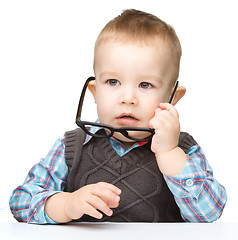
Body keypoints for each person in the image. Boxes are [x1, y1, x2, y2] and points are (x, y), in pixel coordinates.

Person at [9, 9, 227, 224]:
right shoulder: (71, 147)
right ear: (94, 92)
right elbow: (20, 201)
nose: (128, 98)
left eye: (145, 85)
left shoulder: (184, 149)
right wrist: (65, 204)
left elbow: (209, 213)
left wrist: (170, 153)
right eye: (113, 82)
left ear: (172, 98)